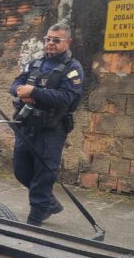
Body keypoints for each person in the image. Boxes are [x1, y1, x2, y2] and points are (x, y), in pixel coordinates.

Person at [10, 23, 85, 226]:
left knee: (44, 172)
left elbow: (66, 97)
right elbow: (15, 84)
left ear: (67, 42)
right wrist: (20, 91)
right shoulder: (35, 63)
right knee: (20, 169)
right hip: (26, 124)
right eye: (48, 39)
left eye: (56, 40)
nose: (50, 43)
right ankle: (49, 203)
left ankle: (37, 214)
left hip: (51, 128)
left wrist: (34, 92)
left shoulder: (72, 68)